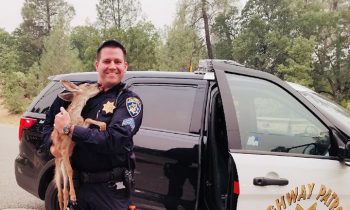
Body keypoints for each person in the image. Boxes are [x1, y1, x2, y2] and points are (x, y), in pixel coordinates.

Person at [42, 39, 143, 210]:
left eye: (117, 62)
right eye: (106, 61)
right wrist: (52, 146)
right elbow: (47, 124)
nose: (112, 66)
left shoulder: (128, 101)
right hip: (76, 188)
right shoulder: (81, 93)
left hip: (109, 192)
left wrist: (69, 129)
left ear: (125, 66)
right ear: (97, 65)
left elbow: (114, 140)